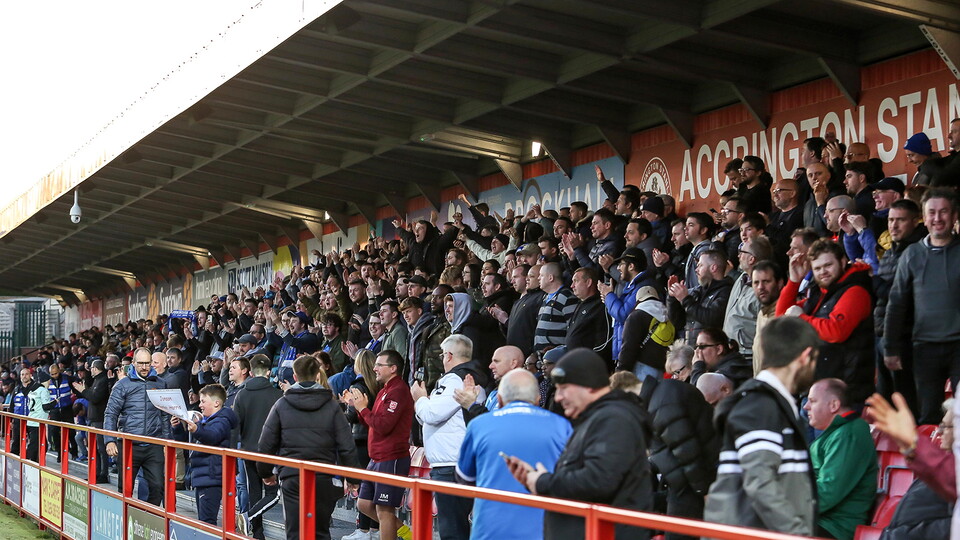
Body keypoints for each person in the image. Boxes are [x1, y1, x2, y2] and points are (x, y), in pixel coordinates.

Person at [507, 348, 654, 540]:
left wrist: (543, 482)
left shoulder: (614, 420)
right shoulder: (597, 419)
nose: (558, 397)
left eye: (563, 388)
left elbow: (598, 481)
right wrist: (534, 479)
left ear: (589, 385)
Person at [704, 317, 820, 536]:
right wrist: (798, 534)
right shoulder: (761, 405)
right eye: (815, 360)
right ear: (805, 356)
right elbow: (760, 482)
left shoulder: (764, 403)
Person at [456, 369, 572, 540]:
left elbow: (464, 478)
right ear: (538, 399)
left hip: (490, 529)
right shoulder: (562, 425)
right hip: (545, 530)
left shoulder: (479, 425)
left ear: (500, 400)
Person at [257, 355, 359, 540]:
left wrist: (265, 473)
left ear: (295, 376)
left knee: (295, 532)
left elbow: (266, 443)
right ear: (317, 376)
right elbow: (346, 445)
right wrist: (352, 476)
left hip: (292, 476)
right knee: (320, 532)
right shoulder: (332, 406)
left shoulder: (282, 404)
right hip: (323, 475)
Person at [884, 188, 960, 424]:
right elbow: (896, 303)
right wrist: (890, 347)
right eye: (932, 213)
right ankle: (934, 462)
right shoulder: (911, 254)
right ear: (924, 218)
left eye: (944, 212)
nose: (938, 218)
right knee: (927, 416)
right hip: (924, 348)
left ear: (955, 215)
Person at [778, 239, 875, 404]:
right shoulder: (819, 292)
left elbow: (837, 331)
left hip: (844, 394)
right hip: (814, 391)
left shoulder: (855, 290)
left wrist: (801, 318)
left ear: (843, 262)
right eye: (817, 268)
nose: (823, 272)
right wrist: (794, 281)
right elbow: (781, 318)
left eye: (828, 265)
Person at [412, 334, 487, 540]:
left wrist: (420, 399)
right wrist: (425, 405)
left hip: (451, 465)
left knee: (452, 530)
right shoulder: (466, 377)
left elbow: (431, 414)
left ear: (449, 355)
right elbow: (428, 418)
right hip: (454, 463)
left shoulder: (455, 378)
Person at [348, 349, 415, 540]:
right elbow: (373, 422)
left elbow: (384, 426)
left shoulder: (398, 391)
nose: (374, 368)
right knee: (363, 504)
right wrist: (359, 409)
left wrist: (363, 409)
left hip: (391, 457)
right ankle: (408, 534)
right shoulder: (384, 390)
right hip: (376, 457)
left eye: (379, 365)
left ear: (393, 368)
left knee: (384, 511)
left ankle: (407, 535)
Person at [804, 378, 876, 539]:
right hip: (816, 521)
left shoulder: (849, 434)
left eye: (812, 401)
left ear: (834, 405)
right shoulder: (839, 432)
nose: (805, 407)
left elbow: (828, 492)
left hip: (833, 528)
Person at [103, 347, 170, 505]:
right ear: (133, 363)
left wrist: (167, 442)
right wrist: (110, 440)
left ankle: (149, 521)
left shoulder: (161, 384)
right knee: (125, 489)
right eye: (140, 363)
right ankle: (125, 523)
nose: (145, 367)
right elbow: (110, 413)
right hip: (129, 444)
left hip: (154, 443)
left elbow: (165, 415)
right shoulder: (122, 385)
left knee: (158, 487)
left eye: (147, 363)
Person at [173, 384, 239, 526]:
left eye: (203, 401)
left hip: (211, 478)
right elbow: (186, 444)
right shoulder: (206, 421)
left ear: (216, 403)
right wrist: (177, 427)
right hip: (203, 476)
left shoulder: (222, 420)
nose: (200, 405)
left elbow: (212, 436)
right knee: (204, 521)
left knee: (207, 522)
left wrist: (197, 429)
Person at [233, 354, 283, 540]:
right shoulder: (277, 395)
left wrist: (234, 450)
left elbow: (235, 426)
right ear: (269, 372)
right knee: (272, 493)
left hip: (247, 451)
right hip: (270, 453)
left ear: (251, 372)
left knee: (254, 491)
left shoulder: (242, 394)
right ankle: (249, 518)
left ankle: (257, 532)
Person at [72, 359, 111, 483]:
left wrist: (83, 391)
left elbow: (94, 397)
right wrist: (84, 391)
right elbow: (91, 393)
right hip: (94, 419)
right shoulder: (97, 380)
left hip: (100, 419)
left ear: (95, 369)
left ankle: (103, 474)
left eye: (92, 369)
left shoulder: (102, 380)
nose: (90, 371)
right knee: (95, 448)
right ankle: (96, 473)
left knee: (101, 448)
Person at [11, 367, 54, 462]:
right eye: (22, 374)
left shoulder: (36, 387)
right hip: (19, 421)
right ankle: (13, 464)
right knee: (17, 443)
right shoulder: (17, 389)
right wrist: (11, 420)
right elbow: (12, 405)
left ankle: (32, 462)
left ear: (30, 375)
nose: (24, 376)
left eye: (26, 374)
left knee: (38, 444)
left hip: (32, 420)